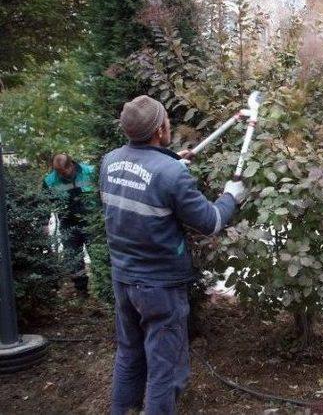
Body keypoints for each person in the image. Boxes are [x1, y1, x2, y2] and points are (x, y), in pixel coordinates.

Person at [100, 95, 246, 415]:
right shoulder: (170, 174)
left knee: (128, 353)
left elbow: (141, 180)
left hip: (123, 279)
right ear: (160, 129)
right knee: (163, 370)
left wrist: (169, 162)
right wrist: (232, 197)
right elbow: (211, 222)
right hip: (160, 288)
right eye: (166, 121)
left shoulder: (109, 161)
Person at [43, 153, 95, 295]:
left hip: (91, 222)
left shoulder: (90, 172)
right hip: (68, 224)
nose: (60, 174)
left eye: (63, 171)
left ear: (71, 165)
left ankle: (105, 288)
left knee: (98, 255)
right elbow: (44, 202)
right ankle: (81, 291)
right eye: (57, 171)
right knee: (73, 258)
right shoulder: (50, 181)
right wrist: (44, 224)